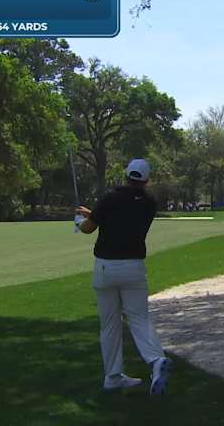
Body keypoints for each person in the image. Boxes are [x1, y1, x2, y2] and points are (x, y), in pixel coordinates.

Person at [75, 159, 173, 394]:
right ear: (146, 180)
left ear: (126, 175)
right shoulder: (149, 203)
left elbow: (90, 228)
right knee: (139, 318)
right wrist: (93, 213)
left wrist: (80, 221)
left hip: (105, 268)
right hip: (133, 268)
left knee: (109, 324)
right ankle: (155, 360)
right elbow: (120, 216)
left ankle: (112, 376)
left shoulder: (109, 199)